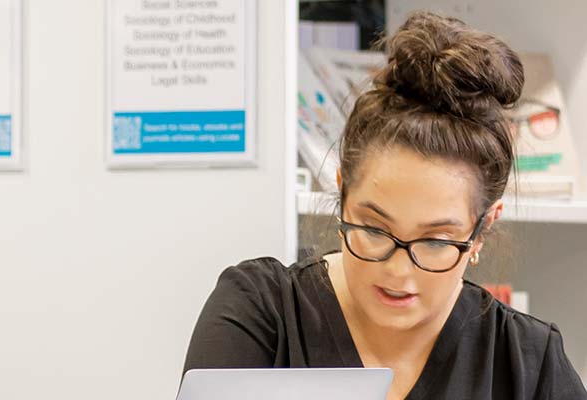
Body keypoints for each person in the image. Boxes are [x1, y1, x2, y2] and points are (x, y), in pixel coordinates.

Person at [184, 12, 586, 400]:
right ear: (342, 192)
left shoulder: (528, 363)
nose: (398, 271)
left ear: (481, 229)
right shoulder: (263, 315)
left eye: (435, 242)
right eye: (374, 230)